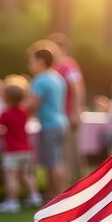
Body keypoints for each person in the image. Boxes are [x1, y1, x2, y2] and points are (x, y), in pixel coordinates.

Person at [0, 75, 44, 213]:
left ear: (5, 98)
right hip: (26, 150)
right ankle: (35, 197)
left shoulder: (5, 113)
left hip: (12, 151)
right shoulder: (24, 112)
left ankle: (12, 201)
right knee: (26, 175)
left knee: (11, 176)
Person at [28, 48, 69, 200]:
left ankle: (57, 197)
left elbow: (33, 104)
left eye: (31, 61)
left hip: (49, 125)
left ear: (40, 61)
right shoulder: (57, 77)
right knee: (57, 161)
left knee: (52, 163)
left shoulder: (40, 80)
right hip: (60, 122)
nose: (29, 65)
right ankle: (56, 194)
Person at [46, 33, 86, 184]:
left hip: (70, 113)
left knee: (71, 151)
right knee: (66, 151)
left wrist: (75, 112)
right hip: (61, 115)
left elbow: (77, 88)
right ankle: (72, 183)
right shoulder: (56, 66)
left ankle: (73, 184)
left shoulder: (69, 65)